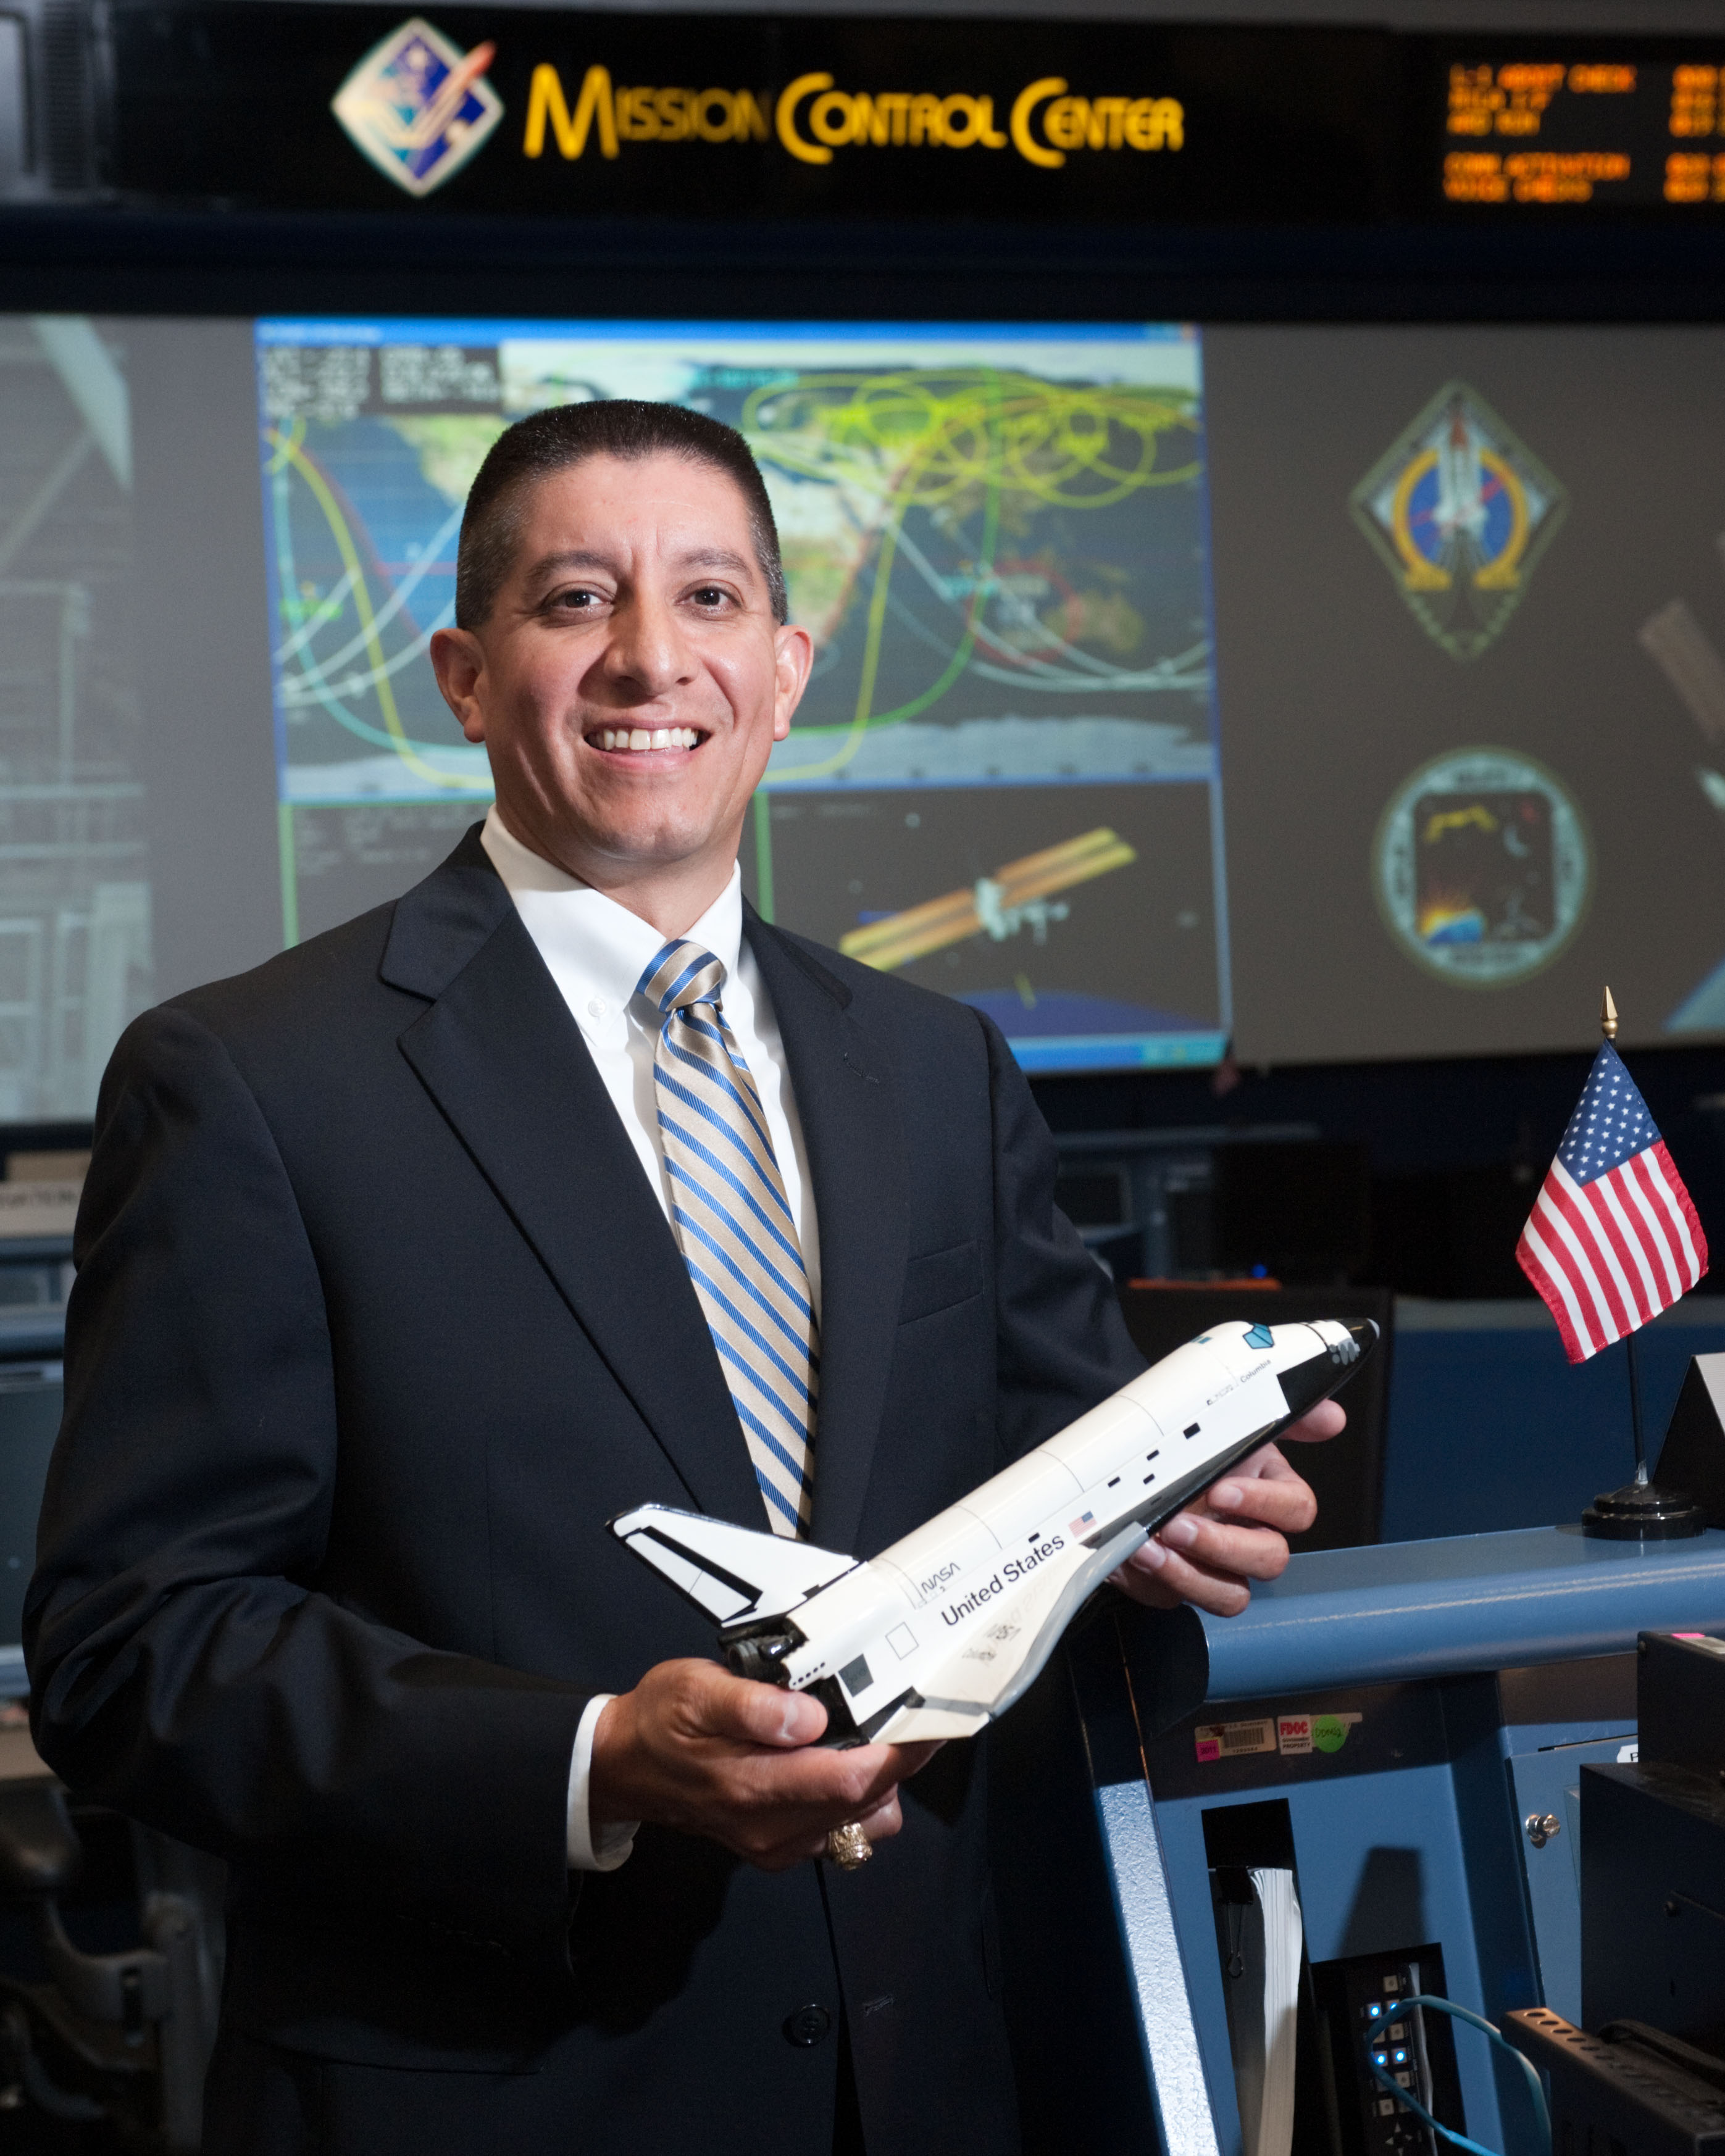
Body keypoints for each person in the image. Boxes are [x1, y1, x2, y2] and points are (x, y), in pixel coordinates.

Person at [25, 401, 1339, 2156]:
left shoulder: (936, 1067)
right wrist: (588, 1761)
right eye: (577, 600)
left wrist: (1166, 1541)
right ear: (465, 675)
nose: (653, 657)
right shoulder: (252, 1083)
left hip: (922, 2084)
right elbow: (133, 1647)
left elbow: (1038, 1510)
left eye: (710, 598)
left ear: (785, 672)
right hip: (497, 2102)